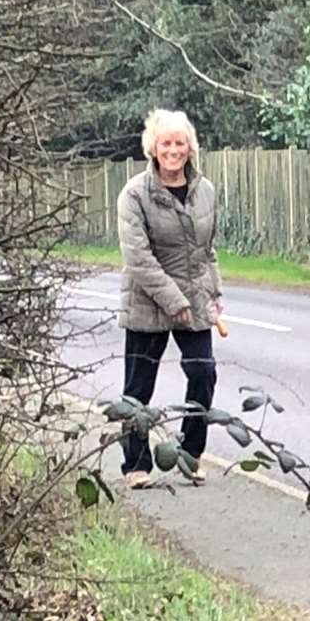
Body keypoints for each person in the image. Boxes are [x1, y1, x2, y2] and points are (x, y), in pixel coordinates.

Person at [115, 108, 223, 487]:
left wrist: (213, 292)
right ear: (153, 148)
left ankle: (190, 454)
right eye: (166, 143)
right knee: (139, 387)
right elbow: (138, 258)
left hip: (193, 300)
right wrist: (173, 299)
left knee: (203, 372)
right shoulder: (134, 195)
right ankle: (136, 465)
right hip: (146, 301)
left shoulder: (204, 191)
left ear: (190, 148)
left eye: (180, 143)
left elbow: (206, 251)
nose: (173, 150)